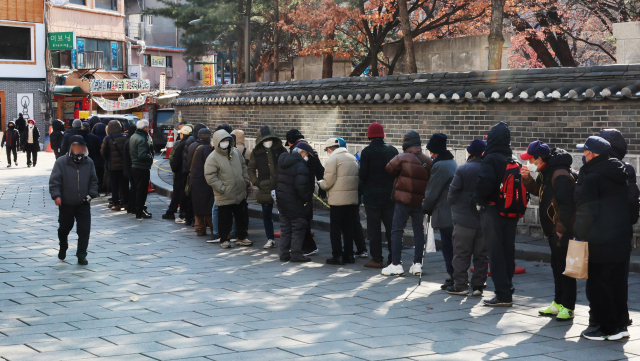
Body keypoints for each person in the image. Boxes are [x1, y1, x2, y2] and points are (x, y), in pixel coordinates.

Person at [573, 136, 631, 341]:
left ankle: (607, 329)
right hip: (622, 236)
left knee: (600, 285)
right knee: (618, 284)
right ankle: (621, 324)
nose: (583, 155)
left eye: (585, 151)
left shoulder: (592, 177)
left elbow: (586, 211)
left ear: (591, 154)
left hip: (599, 239)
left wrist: (579, 233)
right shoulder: (621, 172)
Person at [520, 141, 577, 320]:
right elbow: (540, 191)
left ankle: (568, 306)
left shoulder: (559, 174)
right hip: (552, 228)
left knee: (565, 268)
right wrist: (527, 178)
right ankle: (558, 302)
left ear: (539, 159)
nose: (529, 162)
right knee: (556, 266)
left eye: (530, 159)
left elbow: (567, 204)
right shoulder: (546, 172)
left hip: (560, 229)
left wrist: (560, 229)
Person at [598, 128, 640, 331]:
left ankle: (604, 322)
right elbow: (633, 202)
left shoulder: (597, 169)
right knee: (620, 280)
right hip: (623, 232)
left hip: (602, 234)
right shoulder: (627, 169)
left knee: (601, 280)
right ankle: (621, 319)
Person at [474, 122, 519, 307]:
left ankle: (502, 294)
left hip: (492, 210)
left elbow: (485, 183)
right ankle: (507, 287)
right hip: (511, 211)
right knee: (508, 250)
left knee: (495, 252)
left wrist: (477, 200)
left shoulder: (491, 158)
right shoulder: (512, 158)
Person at [382, 131, 431, 276]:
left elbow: (388, 168)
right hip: (419, 201)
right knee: (418, 232)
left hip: (402, 201)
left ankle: (396, 264)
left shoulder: (401, 158)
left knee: (397, 230)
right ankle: (417, 264)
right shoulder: (428, 160)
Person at [48, 135, 99, 265]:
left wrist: (92, 194)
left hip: (84, 203)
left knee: (84, 230)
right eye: (76, 146)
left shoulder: (89, 162)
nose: (79, 149)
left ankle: (81, 254)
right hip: (66, 203)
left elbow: (94, 181)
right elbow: (54, 181)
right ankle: (63, 245)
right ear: (71, 147)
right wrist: (57, 196)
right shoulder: (61, 162)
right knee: (64, 229)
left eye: (81, 147)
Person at [447, 139, 488, 296]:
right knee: (481, 255)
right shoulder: (489, 169)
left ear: (470, 153)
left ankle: (461, 285)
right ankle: (478, 286)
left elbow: (452, 194)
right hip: (483, 219)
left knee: (461, 254)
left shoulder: (462, 169)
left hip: (463, 220)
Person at [359, 122, 399, 268]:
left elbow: (362, 175)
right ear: (382, 135)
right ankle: (393, 258)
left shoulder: (367, 152)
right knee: (391, 228)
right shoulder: (393, 150)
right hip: (390, 195)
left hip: (372, 196)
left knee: (374, 228)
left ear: (369, 135)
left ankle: (376, 259)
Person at [204, 129, 252, 249]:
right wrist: (222, 188)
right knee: (224, 218)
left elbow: (243, 166)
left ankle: (241, 237)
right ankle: (224, 239)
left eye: (227, 140)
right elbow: (210, 176)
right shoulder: (213, 158)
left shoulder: (235, 152)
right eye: (222, 141)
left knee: (241, 217)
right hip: (224, 194)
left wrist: (245, 181)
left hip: (239, 192)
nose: (225, 143)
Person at [422, 133, 457, 286]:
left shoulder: (439, 165)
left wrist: (426, 207)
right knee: (455, 246)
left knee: (448, 246)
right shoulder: (452, 162)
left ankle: (454, 276)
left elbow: (432, 190)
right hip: (454, 211)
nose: (430, 154)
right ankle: (456, 275)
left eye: (431, 151)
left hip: (444, 211)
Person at [319, 138, 360, 265]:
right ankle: (349, 254)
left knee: (335, 228)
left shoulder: (333, 159)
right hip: (352, 199)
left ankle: (337, 255)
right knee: (348, 228)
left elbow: (328, 182)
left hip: (338, 200)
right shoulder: (352, 158)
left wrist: (320, 184)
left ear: (330, 149)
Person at [286, 129, 325, 256]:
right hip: (309, 188)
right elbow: (320, 169)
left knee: (299, 220)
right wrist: (321, 187)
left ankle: (308, 246)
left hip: (299, 190)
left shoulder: (296, 151)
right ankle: (303, 246)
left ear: (291, 141)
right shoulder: (312, 150)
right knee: (305, 219)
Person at [248, 126, 286, 249]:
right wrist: (256, 182)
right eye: (265, 140)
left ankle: (287, 238)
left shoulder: (280, 149)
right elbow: (251, 169)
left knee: (285, 213)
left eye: (269, 139)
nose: (267, 142)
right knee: (266, 214)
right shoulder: (256, 152)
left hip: (281, 185)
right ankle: (270, 238)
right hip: (264, 187)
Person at [276, 144, 313, 262]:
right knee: (299, 225)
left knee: (286, 227)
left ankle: (284, 253)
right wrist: (307, 198)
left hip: (281, 199)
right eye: (307, 154)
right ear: (302, 153)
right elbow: (300, 187)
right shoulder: (300, 166)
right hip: (293, 200)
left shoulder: (283, 162)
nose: (307, 157)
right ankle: (296, 254)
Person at [336, 137, 368, 258]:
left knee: (347, 224)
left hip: (344, 196)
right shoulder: (352, 158)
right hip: (355, 195)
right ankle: (361, 248)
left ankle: (351, 250)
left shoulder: (338, 159)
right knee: (355, 222)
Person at [186, 128, 215, 236]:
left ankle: (199, 229)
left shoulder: (192, 145)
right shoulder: (205, 149)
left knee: (198, 206)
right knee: (207, 206)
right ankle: (213, 229)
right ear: (207, 137)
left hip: (194, 179)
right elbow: (210, 165)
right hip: (204, 181)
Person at [165, 124, 194, 221]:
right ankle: (184, 214)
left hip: (180, 173)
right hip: (189, 173)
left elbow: (175, 159)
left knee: (178, 193)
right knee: (185, 194)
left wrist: (175, 170)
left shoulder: (180, 144)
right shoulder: (193, 143)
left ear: (183, 134)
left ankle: (173, 212)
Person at [181, 123, 207, 226]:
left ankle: (189, 218)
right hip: (193, 173)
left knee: (190, 197)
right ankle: (193, 219)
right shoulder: (196, 143)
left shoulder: (191, 141)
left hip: (189, 172)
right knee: (193, 198)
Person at [101, 120, 129, 211]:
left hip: (112, 166)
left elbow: (103, 152)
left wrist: (108, 160)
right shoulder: (126, 136)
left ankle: (116, 204)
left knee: (114, 185)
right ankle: (126, 203)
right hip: (124, 165)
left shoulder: (108, 138)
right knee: (124, 184)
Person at [129, 120, 154, 220]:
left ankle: (137, 208)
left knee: (136, 189)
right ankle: (139, 211)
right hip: (141, 167)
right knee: (141, 191)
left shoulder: (134, 136)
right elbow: (142, 154)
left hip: (135, 166)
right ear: (145, 128)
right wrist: (151, 156)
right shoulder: (141, 139)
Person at [123, 125, 137, 214]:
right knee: (134, 187)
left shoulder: (127, 140)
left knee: (132, 187)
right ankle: (131, 206)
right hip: (131, 167)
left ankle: (130, 206)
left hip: (128, 167)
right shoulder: (130, 142)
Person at [90, 122, 108, 193]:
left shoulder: (93, 137)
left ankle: (98, 186)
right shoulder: (107, 137)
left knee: (97, 173)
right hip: (104, 159)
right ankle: (105, 186)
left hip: (96, 160)